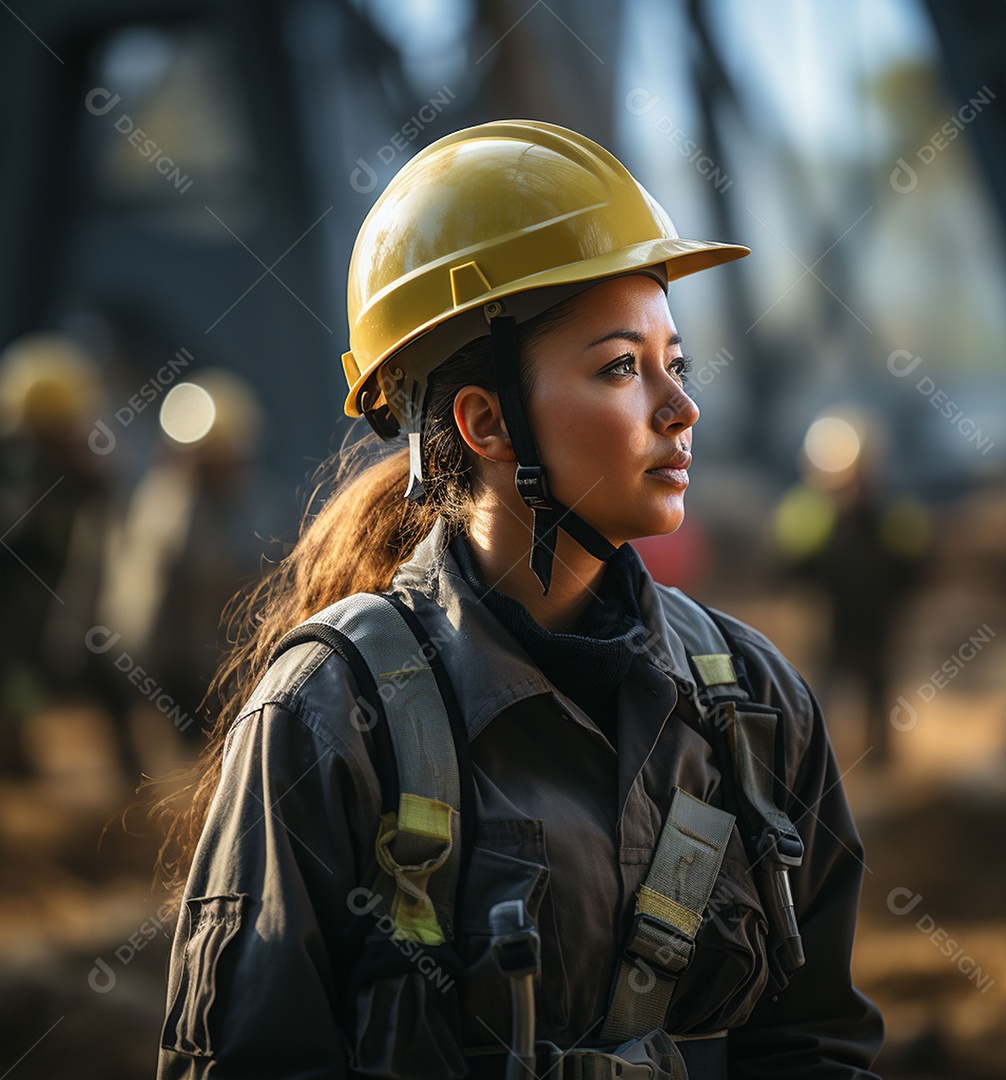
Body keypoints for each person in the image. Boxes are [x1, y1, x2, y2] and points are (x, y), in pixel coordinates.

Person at [152, 121, 883, 1079]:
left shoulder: (754, 703)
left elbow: (816, 1046)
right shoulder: (330, 720)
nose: (680, 407)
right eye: (622, 366)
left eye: (677, 362)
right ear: (487, 421)